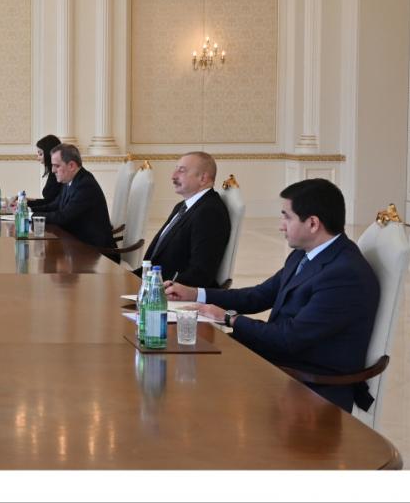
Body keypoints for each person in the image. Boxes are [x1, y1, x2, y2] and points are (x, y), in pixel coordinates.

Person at [165, 178, 380, 413]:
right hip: (281, 360)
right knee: (187, 355)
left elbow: (290, 338)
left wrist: (228, 318)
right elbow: (258, 296)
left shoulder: (344, 274)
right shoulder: (305, 254)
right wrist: (195, 293)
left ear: (312, 223)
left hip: (309, 385)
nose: (281, 226)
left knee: (197, 379)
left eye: (287, 217)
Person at [134, 152, 230, 288]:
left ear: (203, 178)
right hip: (150, 283)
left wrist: (160, 289)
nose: (173, 176)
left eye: (182, 170)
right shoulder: (182, 206)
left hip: (168, 292)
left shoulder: (209, 212)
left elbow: (200, 273)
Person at [30, 143, 117, 259]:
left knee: (45, 257)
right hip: (79, 246)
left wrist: (30, 215)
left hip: (97, 253)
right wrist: (28, 209)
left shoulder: (85, 185)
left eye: (56, 166)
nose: (53, 170)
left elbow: (63, 217)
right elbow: (54, 205)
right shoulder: (71, 180)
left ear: (71, 165)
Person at [27, 134, 62, 211]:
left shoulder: (59, 175)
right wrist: (26, 202)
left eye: (40, 154)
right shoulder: (53, 173)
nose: (38, 158)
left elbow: (52, 204)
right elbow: (50, 202)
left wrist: (29, 207)